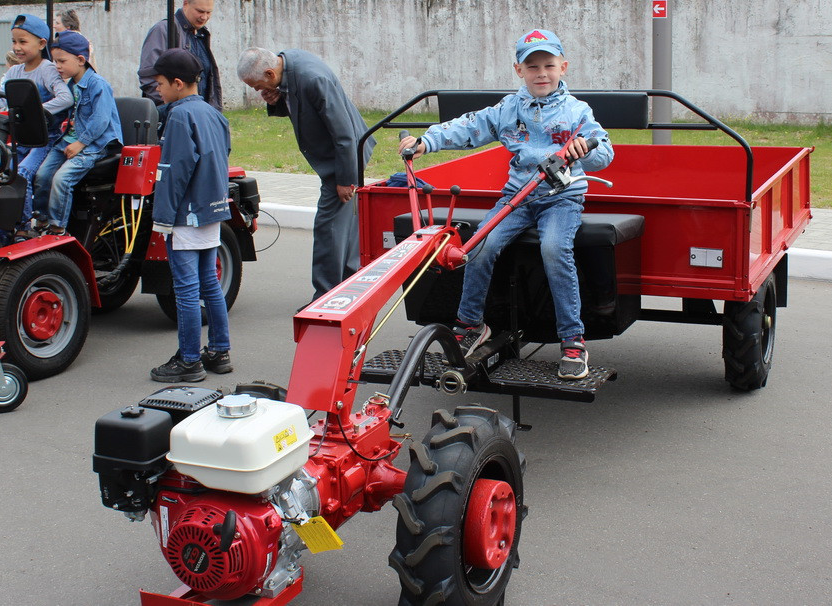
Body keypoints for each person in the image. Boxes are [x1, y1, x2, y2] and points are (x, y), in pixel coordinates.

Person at [398, 28, 614, 380]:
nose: (541, 73)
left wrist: (585, 149)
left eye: (548, 65)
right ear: (519, 71)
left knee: (554, 249)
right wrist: (427, 142)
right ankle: (471, 324)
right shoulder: (508, 109)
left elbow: (605, 152)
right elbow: (468, 127)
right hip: (517, 198)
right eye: (532, 67)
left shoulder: (577, 112)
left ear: (564, 67)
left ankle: (573, 340)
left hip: (561, 198)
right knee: (479, 244)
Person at [237, 47, 376, 302]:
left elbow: (343, 131)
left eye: (258, 86)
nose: (258, 91)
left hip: (344, 157)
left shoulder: (312, 78)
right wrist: (277, 100)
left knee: (328, 228)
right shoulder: (288, 66)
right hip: (343, 155)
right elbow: (302, 106)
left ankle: (326, 297)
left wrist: (347, 179)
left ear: (269, 72)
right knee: (343, 225)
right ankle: (349, 286)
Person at [142, 48, 233, 383]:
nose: (158, 91)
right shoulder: (214, 114)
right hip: (212, 209)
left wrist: (163, 218)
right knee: (209, 283)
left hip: (186, 214)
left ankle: (190, 360)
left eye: (161, 84)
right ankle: (219, 351)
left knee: (186, 289)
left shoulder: (179, 116)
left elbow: (173, 170)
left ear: (178, 83)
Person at [0, 14, 71, 231]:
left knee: (23, 174)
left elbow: (65, 98)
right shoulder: (14, 71)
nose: (17, 47)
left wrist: (36, 111)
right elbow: (1, 100)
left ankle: (23, 226)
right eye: (14, 41)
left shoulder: (47, 69)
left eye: (23, 42)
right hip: (21, 139)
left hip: (45, 139)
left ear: (41, 44)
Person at [33, 30, 121, 235]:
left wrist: (80, 144)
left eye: (62, 61)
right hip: (70, 140)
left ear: (81, 59)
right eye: (55, 61)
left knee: (61, 179)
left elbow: (101, 120)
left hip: (94, 145)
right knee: (42, 175)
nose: (57, 66)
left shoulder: (98, 85)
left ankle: (58, 228)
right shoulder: (71, 85)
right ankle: (41, 220)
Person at [138, 0, 222, 111]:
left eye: (208, 12)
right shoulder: (164, 30)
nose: (204, 17)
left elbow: (208, 82)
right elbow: (148, 76)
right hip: (174, 117)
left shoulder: (201, 35)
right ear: (185, 3)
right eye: (199, 11)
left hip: (200, 115)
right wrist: (174, 109)